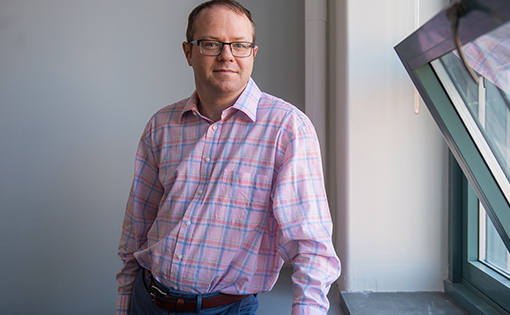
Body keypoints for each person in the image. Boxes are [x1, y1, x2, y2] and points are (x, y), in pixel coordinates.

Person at [116, 0, 341, 314]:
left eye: (239, 45)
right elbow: (135, 232)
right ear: (188, 52)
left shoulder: (286, 129)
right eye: (211, 44)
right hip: (147, 300)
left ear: (253, 53)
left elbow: (312, 248)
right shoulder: (161, 125)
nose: (227, 55)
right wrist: (124, 305)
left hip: (224, 310)